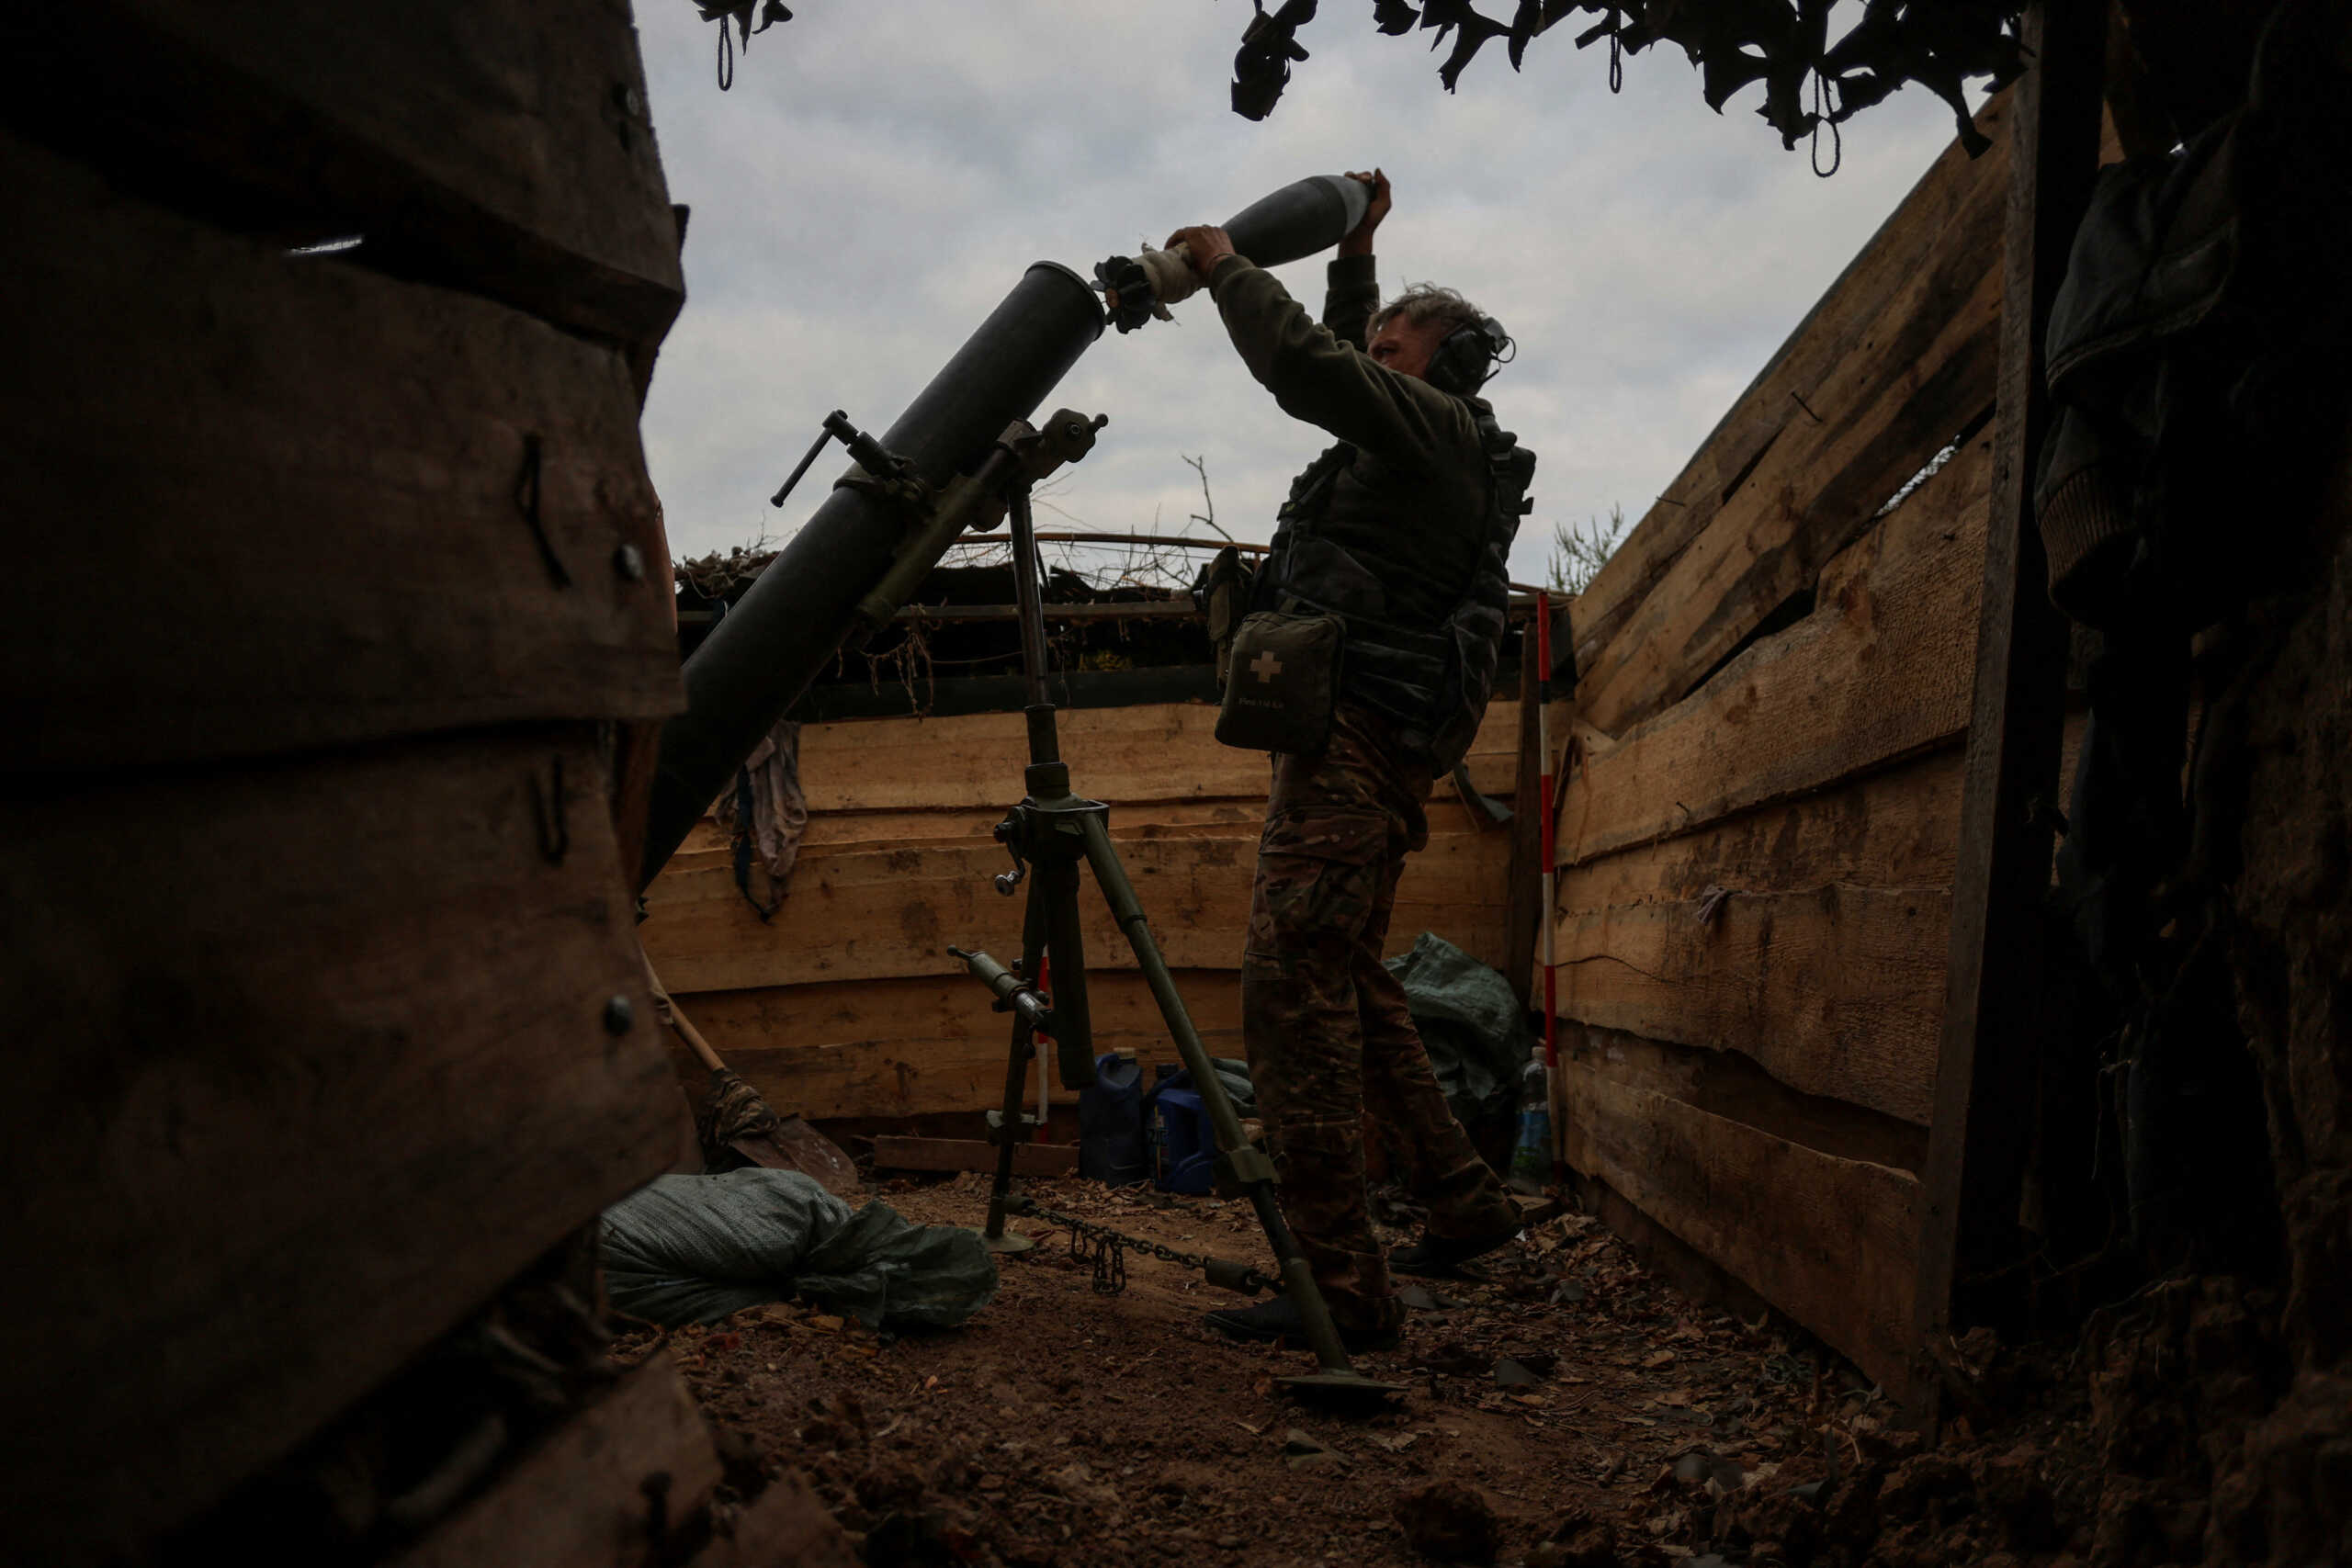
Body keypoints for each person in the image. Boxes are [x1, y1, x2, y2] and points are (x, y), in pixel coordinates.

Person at [1164, 170, 1536, 1352]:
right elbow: (1343, 359)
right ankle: (1466, 1211)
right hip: (1364, 732)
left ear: (1451, 366)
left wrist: (1227, 264)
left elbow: (1314, 372)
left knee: (1291, 990)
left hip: (1357, 737)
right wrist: (1358, 252)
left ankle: (1340, 1289)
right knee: (1356, 980)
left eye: (1394, 346)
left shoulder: (1434, 431)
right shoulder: (1429, 428)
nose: (1372, 354)